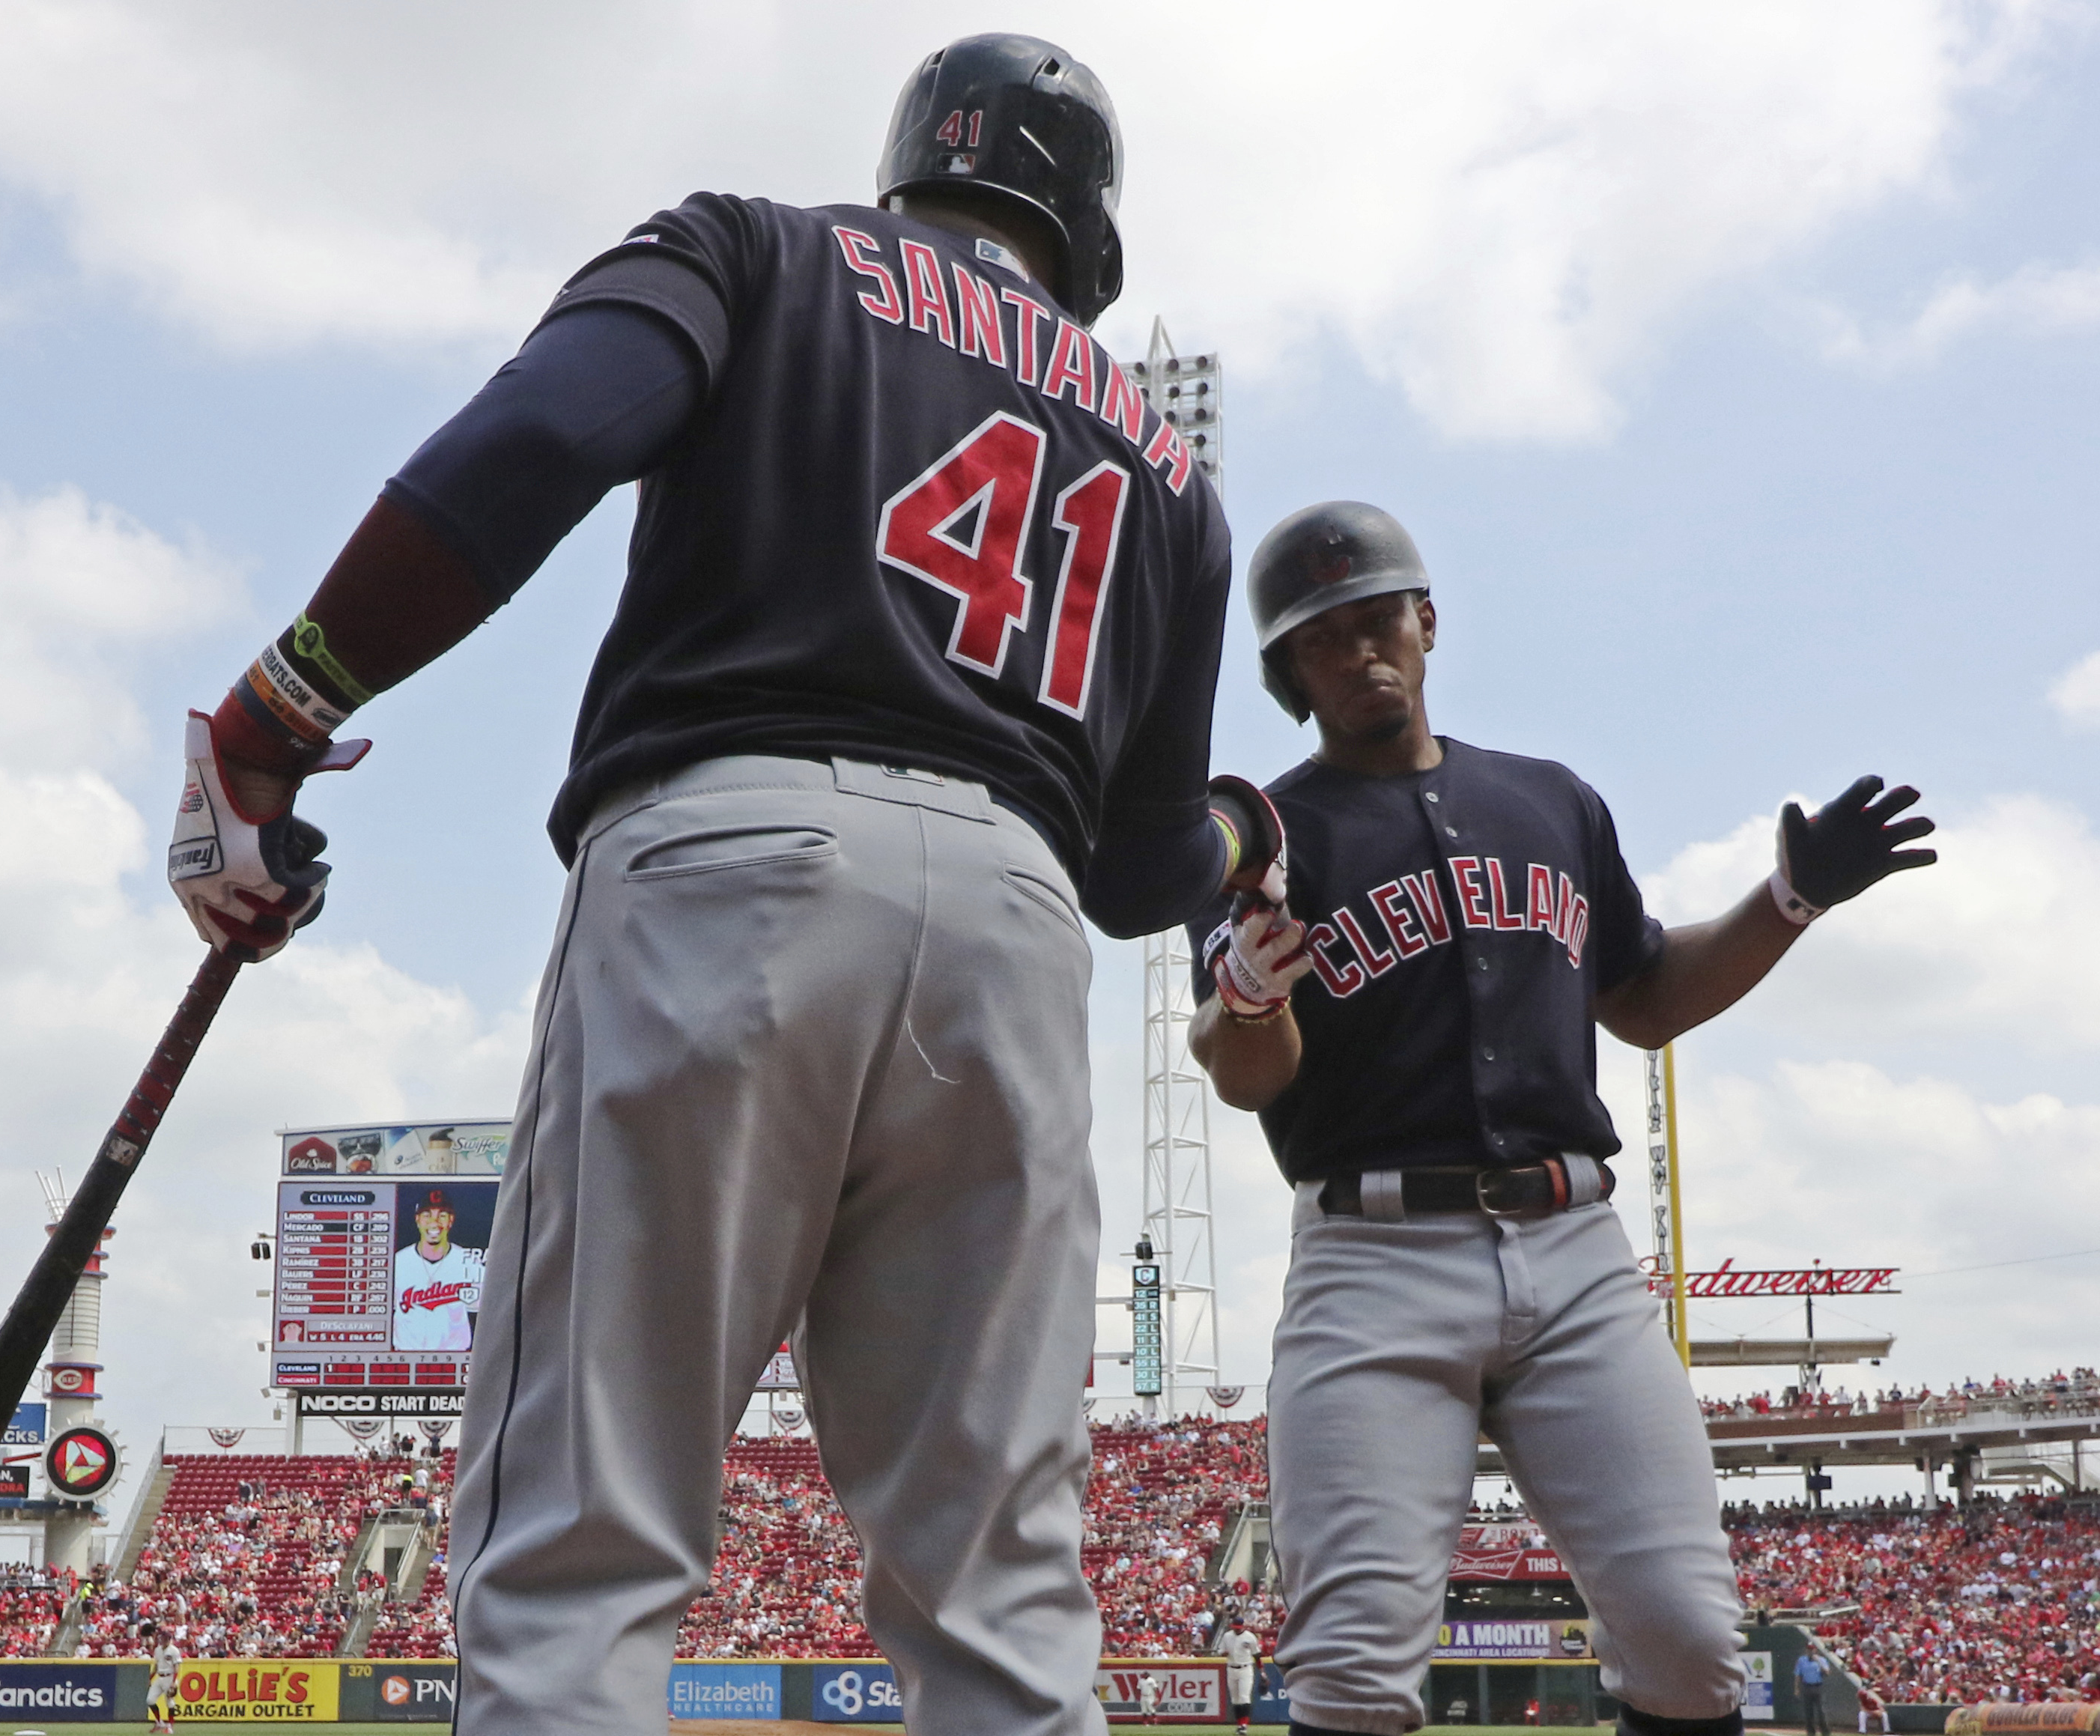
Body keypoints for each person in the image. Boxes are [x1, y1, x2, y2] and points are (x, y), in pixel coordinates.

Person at [160, 33, 1269, 1736]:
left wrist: (279, 711)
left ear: (914, 169)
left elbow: (538, 435)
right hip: (1019, 934)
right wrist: (1248, 844)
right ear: (1089, 237)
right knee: (1000, 1600)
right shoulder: (1170, 474)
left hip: (732, 861)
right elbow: (1144, 874)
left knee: (585, 1558)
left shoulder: (761, 244)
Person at [1188, 502, 1937, 1736]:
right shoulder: (1266, 837)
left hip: (1575, 1252)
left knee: (1695, 1645)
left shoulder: (1549, 799)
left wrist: (1789, 898)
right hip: (1373, 1261)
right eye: (1328, 636)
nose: (1365, 648)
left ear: (1428, 622)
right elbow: (1244, 1069)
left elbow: (1644, 997)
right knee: (1350, 1674)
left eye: (1382, 616)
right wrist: (1251, 988)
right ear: (1289, 672)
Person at [391, 1190, 485, 1353]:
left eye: (442, 1215)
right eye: (427, 1215)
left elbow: (485, 1313)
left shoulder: (469, 1262)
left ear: (451, 1221)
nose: (434, 1222)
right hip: (404, 1361)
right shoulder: (398, 1262)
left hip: (455, 1361)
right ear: (418, 1220)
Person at [1222, 1619, 1263, 1735]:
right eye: (1235, 1627)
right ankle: (1240, 1725)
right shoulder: (1227, 1636)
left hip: (1246, 1668)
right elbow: (1221, 1650)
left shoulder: (1250, 1637)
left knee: (1244, 1697)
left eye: (1238, 1627)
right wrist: (1223, 1653)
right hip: (1231, 1668)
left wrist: (1262, 1671)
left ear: (1243, 1626)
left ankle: (1244, 1725)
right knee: (1235, 1699)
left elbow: (1257, 1655)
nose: (1236, 1629)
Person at [143, 1626, 180, 1734]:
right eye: (163, 1638)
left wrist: (174, 1682)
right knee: (150, 1700)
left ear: (169, 1639)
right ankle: (160, 1723)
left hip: (169, 1677)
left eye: (166, 1638)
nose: (164, 1640)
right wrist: (151, 1678)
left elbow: (177, 1667)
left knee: (170, 1703)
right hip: (160, 1677)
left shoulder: (174, 1650)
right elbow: (156, 1665)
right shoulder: (158, 1650)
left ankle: (170, 1726)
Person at [1794, 1648, 1830, 1736]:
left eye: (1812, 1650)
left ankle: (1825, 1732)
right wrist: (1796, 1688)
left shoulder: (1821, 1660)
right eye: (1808, 1650)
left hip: (1818, 1687)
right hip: (1807, 1687)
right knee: (1808, 1712)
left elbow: (1827, 1673)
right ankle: (1811, 1732)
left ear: (1815, 1650)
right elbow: (1798, 1675)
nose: (1810, 1652)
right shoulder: (1802, 1660)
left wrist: (1819, 1662)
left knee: (1821, 1711)